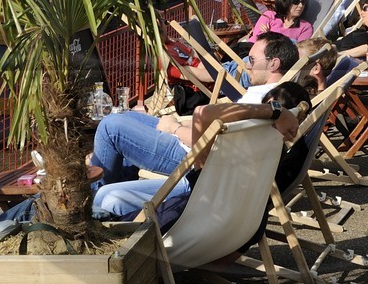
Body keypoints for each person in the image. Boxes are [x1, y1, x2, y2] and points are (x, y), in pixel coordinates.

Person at [91, 80, 311, 227]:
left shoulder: (253, 145)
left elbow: (203, 113)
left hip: (197, 197)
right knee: (120, 126)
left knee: (105, 195)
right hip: (202, 192)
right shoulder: (272, 151)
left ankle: (92, 214)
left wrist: (273, 112)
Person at [93, 33, 300, 183]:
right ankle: (118, 183)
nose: (247, 65)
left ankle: (96, 199)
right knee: (128, 117)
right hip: (196, 144)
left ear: (273, 64)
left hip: (193, 157)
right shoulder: (276, 96)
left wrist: (175, 128)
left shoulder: (264, 101)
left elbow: (215, 144)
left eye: (252, 60)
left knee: (111, 126)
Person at [246, 0, 314, 44]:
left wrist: (269, 36)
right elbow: (256, 38)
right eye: (296, 2)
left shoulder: (305, 28)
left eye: (303, 2)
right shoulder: (269, 16)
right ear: (286, 2)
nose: (301, 6)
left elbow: (299, 49)